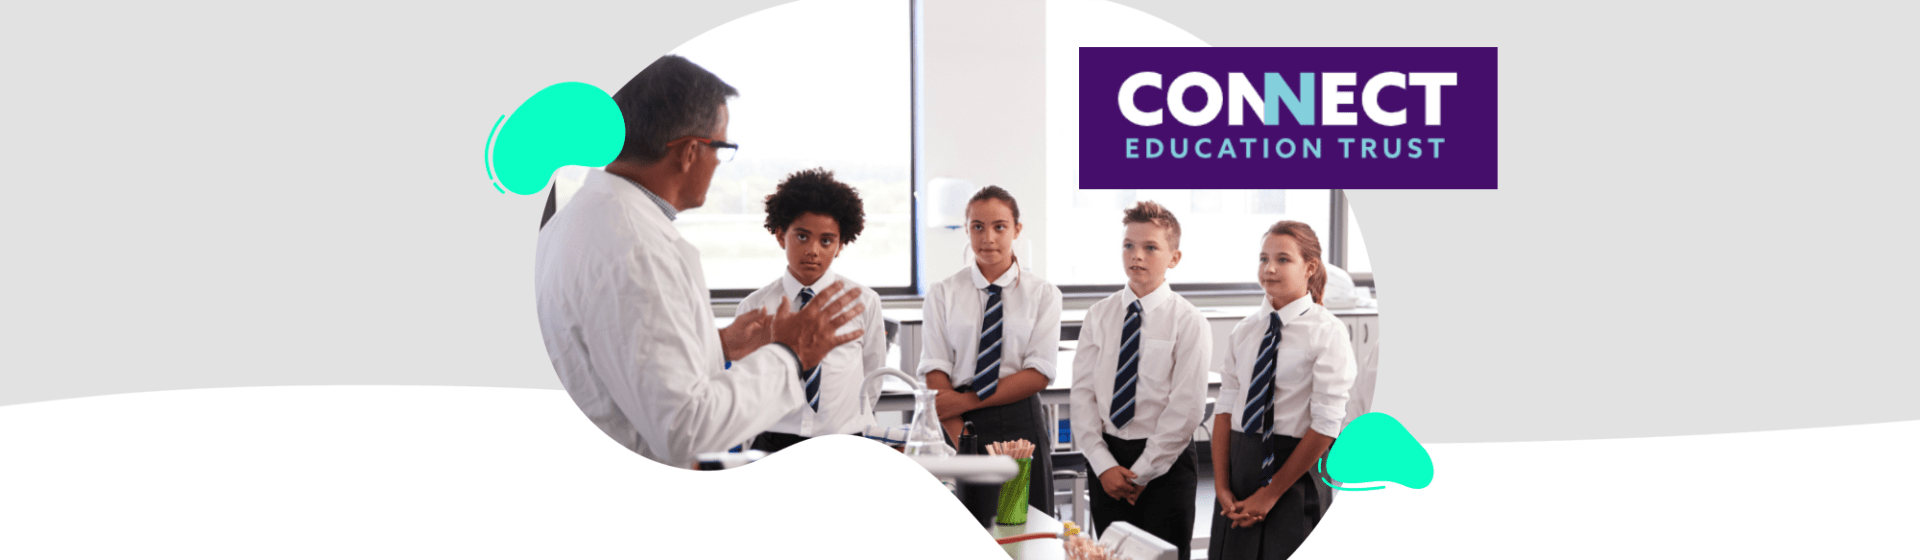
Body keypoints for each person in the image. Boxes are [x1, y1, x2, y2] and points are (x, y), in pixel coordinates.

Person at [534, 55, 867, 468]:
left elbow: (624, 360)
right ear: (691, 151)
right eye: (721, 148)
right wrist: (790, 353)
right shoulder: (639, 250)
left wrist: (718, 346)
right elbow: (683, 428)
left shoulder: (577, 221)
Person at [1207, 221, 1358, 559]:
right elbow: (1225, 410)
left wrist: (1271, 494)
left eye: (1283, 259)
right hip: (1240, 466)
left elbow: (1325, 425)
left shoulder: (1326, 332)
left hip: (1294, 473)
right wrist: (1221, 486)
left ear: (1310, 267)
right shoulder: (1245, 331)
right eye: (1263, 258)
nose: (1269, 268)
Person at [1070, 200, 1211, 560]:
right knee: (1113, 555)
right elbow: (1083, 397)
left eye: (1151, 247)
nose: (1137, 256)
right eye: (1129, 245)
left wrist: (1142, 473)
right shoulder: (1098, 316)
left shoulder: (1188, 321)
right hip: (1108, 463)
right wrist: (1104, 466)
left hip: (1165, 463)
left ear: (1174, 258)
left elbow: (1186, 408)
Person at [919, 186, 1061, 513]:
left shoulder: (1043, 293)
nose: (988, 238)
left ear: (1017, 230)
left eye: (999, 227)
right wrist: (962, 440)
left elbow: (1039, 373)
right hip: (958, 421)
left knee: (1024, 523)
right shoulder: (943, 293)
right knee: (969, 526)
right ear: (967, 230)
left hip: (1018, 420)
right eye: (977, 227)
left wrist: (968, 399)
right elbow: (936, 369)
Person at [735, 168, 887, 453]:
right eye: (802, 237)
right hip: (774, 439)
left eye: (826, 241)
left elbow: (872, 376)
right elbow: (746, 384)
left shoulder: (864, 302)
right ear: (781, 236)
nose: (813, 250)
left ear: (840, 245)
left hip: (845, 440)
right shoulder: (754, 307)